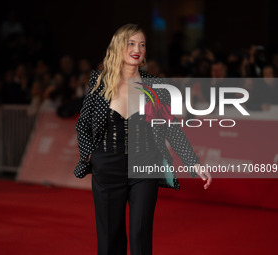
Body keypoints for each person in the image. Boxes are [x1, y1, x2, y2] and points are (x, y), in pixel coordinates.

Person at [74, 24, 212, 255]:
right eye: (131, 43)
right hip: (107, 166)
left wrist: (193, 162)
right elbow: (83, 124)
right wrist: (90, 154)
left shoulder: (156, 86)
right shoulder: (99, 82)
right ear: (119, 46)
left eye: (142, 44)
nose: (137, 49)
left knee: (140, 234)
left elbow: (171, 128)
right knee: (110, 238)